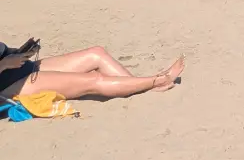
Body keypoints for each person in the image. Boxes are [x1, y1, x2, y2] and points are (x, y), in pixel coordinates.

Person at [0, 43, 184, 102]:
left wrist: (17, 53)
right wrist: (5, 64)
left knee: (96, 54)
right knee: (93, 80)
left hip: (20, 67)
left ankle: (138, 84)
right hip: (8, 85)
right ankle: (156, 81)